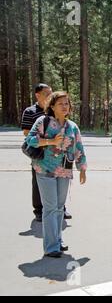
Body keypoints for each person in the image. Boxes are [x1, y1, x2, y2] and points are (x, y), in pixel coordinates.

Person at [25, 92, 87, 258]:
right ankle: (51, 247)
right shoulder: (43, 122)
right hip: (44, 169)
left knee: (59, 208)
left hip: (64, 170)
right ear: (52, 106)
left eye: (67, 103)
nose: (65, 106)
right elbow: (29, 140)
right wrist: (50, 141)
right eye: (61, 103)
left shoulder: (72, 126)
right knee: (50, 208)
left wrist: (82, 168)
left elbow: (79, 147)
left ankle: (58, 240)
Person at [21, 84, 72, 222]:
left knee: (59, 185)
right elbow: (27, 133)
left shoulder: (63, 115)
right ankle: (38, 210)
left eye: (51, 93)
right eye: (46, 93)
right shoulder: (30, 111)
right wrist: (48, 138)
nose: (49, 96)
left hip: (59, 159)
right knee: (38, 184)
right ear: (38, 95)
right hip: (40, 154)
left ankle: (61, 209)